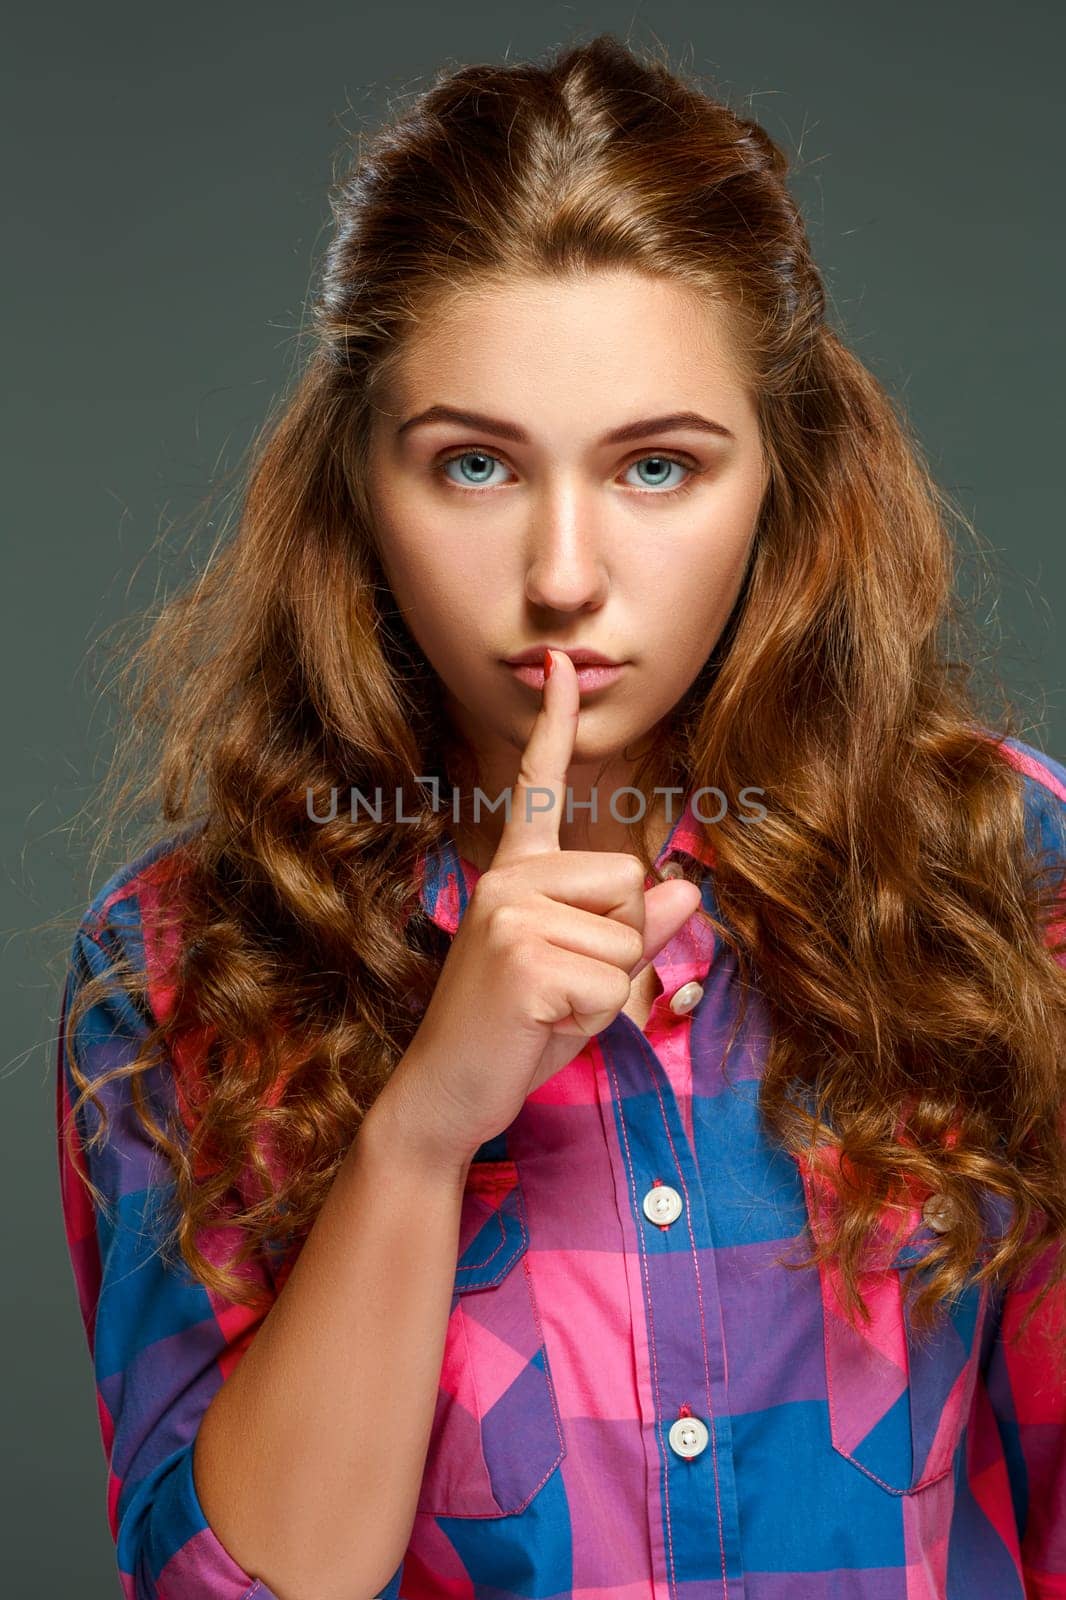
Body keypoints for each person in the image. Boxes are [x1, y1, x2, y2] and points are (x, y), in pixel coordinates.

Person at [55, 31, 1066, 1600]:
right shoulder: (185, 959)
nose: (563, 575)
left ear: (780, 480)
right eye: (473, 465)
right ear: (357, 486)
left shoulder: (1003, 878)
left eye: (657, 468)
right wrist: (422, 1132)